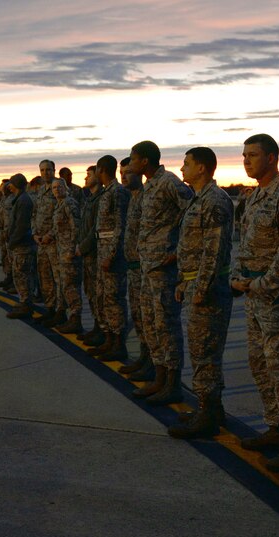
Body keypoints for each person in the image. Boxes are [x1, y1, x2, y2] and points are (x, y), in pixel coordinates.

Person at [230, 134, 279, 470]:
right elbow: (242, 240)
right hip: (252, 295)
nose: (246, 160)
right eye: (244, 155)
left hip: (274, 299)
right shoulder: (253, 196)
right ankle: (274, 426)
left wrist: (260, 285)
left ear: (273, 158)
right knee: (259, 365)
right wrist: (237, 276)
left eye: (253, 155)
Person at [166, 147, 234, 439]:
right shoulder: (198, 200)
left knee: (205, 354)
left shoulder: (215, 200)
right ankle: (211, 408)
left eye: (186, 164)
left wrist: (200, 288)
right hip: (195, 283)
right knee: (201, 352)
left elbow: (214, 249)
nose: (182, 169)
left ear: (202, 168)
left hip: (207, 289)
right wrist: (184, 282)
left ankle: (207, 415)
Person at [127, 140, 192, 405]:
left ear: (144, 161)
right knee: (152, 323)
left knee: (166, 325)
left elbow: (192, 211)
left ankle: (173, 383)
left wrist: (178, 250)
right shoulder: (148, 186)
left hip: (164, 269)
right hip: (148, 267)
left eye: (132, 159)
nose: (130, 164)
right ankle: (159, 377)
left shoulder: (169, 182)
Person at [87, 155, 129, 362]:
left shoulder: (118, 192)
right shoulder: (107, 192)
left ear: (101, 170)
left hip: (111, 256)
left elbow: (120, 226)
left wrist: (111, 255)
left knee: (114, 300)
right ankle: (109, 339)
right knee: (104, 298)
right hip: (102, 252)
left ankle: (118, 343)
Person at [118, 157, 153, 380]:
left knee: (150, 321)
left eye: (128, 172)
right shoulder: (132, 198)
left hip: (145, 268)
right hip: (132, 268)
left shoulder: (147, 196)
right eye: (122, 173)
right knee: (139, 317)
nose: (124, 177)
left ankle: (151, 364)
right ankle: (143, 357)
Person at [50, 179, 84, 334]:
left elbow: (76, 227)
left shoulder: (69, 203)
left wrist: (72, 249)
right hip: (61, 251)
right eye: (54, 188)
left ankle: (76, 319)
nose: (57, 190)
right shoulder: (60, 204)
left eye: (59, 187)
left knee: (71, 286)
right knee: (65, 285)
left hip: (68, 253)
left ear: (66, 188)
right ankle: (71, 317)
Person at [32, 160, 63, 327]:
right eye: (42, 170)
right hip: (41, 242)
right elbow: (34, 214)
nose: (45, 173)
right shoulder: (40, 190)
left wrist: (50, 235)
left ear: (54, 170)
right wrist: (34, 234)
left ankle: (60, 311)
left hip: (54, 242)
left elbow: (62, 215)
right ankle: (50, 309)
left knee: (57, 278)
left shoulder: (59, 187)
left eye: (48, 170)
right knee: (44, 277)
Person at [77, 166, 103, 344]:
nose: (85, 178)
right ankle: (96, 326)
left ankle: (101, 329)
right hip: (87, 255)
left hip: (94, 254)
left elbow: (96, 229)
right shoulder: (90, 199)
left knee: (98, 294)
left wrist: (83, 247)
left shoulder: (101, 199)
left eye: (89, 175)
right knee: (91, 293)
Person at [5, 173, 37, 319]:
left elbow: (21, 226)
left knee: (22, 276)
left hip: (22, 246)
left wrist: (12, 242)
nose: (8, 186)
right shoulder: (20, 199)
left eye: (11, 183)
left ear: (16, 184)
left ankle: (26, 305)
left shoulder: (23, 201)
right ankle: (24, 302)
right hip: (20, 244)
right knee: (20, 276)